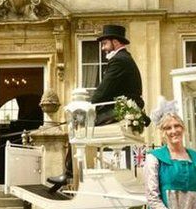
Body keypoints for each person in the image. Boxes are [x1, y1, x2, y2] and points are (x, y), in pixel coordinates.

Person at [47, 24, 145, 191]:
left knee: (78, 129)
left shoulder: (119, 61)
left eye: (105, 43)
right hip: (126, 110)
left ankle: (69, 173)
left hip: (119, 111)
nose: (102, 48)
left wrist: (87, 110)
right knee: (81, 127)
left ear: (115, 42)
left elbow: (103, 92)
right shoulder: (125, 59)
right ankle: (74, 174)